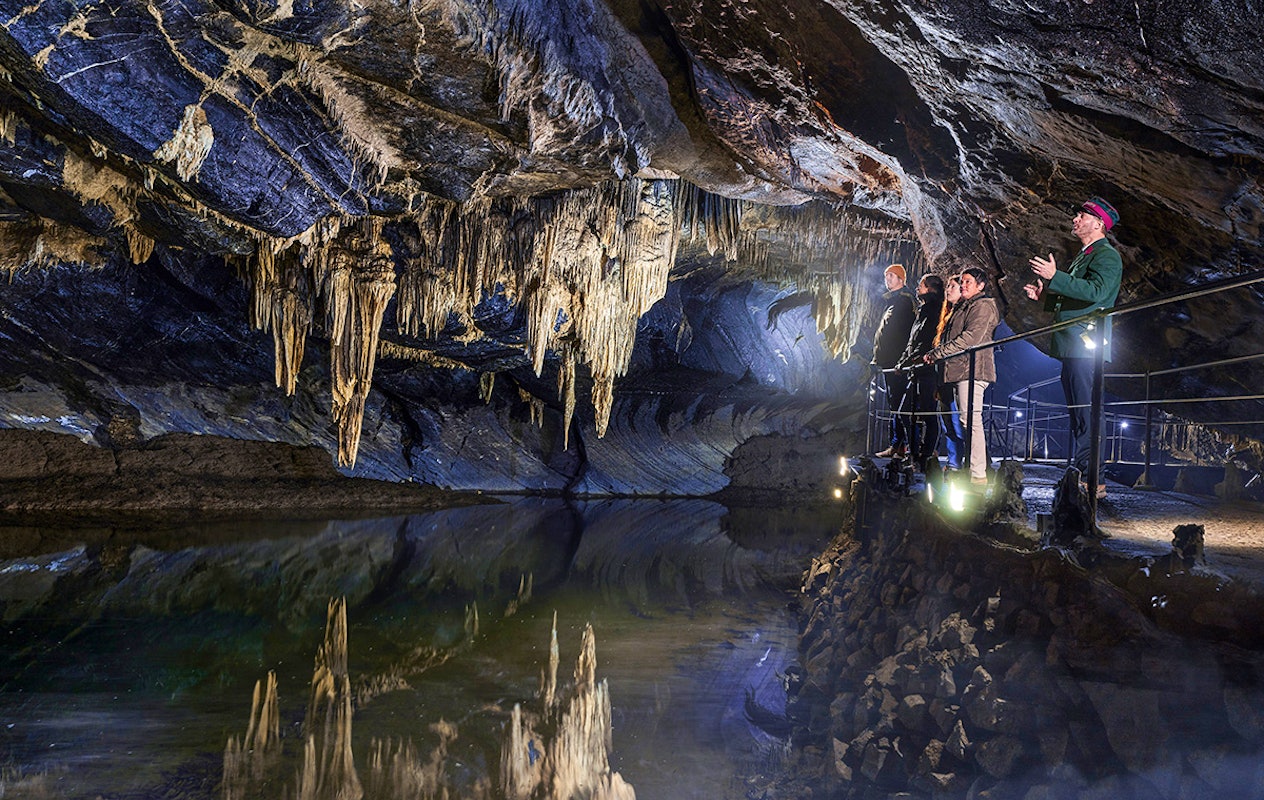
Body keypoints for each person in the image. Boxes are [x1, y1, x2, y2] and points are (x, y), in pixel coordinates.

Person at [1023, 197, 1122, 499]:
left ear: (1098, 223)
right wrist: (1046, 295)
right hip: (1074, 343)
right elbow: (1076, 294)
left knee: (1088, 413)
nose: (1076, 219)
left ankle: (1094, 480)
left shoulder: (1107, 255)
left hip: (1085, 343)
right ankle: (1082, 474)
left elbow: (1096, 292)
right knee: (1079, 413)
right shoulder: (1086, 255)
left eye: (1082, 215)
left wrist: (1056, 277)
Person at [923, 267, 1000, 485]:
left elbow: (971, 338)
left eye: (968, 282)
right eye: (962, 282)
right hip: (960, 370)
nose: (963, 285)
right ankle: (972, 468)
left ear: (981, 285)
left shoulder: (983, 306)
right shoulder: (962, 308)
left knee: (970, 420)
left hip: (973, 370)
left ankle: (977, 473)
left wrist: (937, 353)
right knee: (966, 421)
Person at [895, 274, 945, 467]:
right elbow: (913, 341)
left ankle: (925, 454)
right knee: (905, 412)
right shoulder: (924, 310)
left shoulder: (933, 310)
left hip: (927, 368)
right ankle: (916, 452)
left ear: (931, 289)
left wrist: (907, 360)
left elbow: (924, 340)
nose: (917, 289)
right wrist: (903, 361)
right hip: (916, 368)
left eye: (921, 286)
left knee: (928, 413)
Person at [871, 263, 915, 458]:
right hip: (890, 361)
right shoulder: (893, 301)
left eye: (892, 276)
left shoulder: (904, 302)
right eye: (886, 276)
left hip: (897, 363)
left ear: (901, 279)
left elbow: (901, 333)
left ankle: (903, 445)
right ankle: (897, 444)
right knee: (894, 402)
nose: (887, 279)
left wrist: (900, 361)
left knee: (899, 402)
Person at [934, 275, 965, 470]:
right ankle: (953, 461)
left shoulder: (962, 313)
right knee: (948, 422)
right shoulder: (947, 315)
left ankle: (968, 461)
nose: (948, 289)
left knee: (958, 422)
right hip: (943, 376)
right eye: (948, 286)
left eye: (953, 286)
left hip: (956, 374)